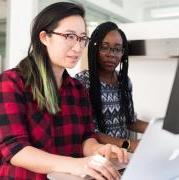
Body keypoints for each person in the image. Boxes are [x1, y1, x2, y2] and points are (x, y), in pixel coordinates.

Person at [0, 4, 128, 180]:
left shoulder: (78, 89)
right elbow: (14, 148)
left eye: (82, 38)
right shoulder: (11, 82)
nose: (78, 47)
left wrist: (98, 150)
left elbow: (86, 137)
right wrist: (76, 164)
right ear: (44, 37)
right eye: (69, 36)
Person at [75, 21, 148, 153]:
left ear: (123, 53)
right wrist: (128, 144)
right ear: (94, 49)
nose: (111, 54)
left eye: (117, 49)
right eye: (104, 47)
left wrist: (158, 129)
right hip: (97, 157)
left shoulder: (124, 81)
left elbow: (130, 121)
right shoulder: (81, 82)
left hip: (123, 157)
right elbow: (89, 131)